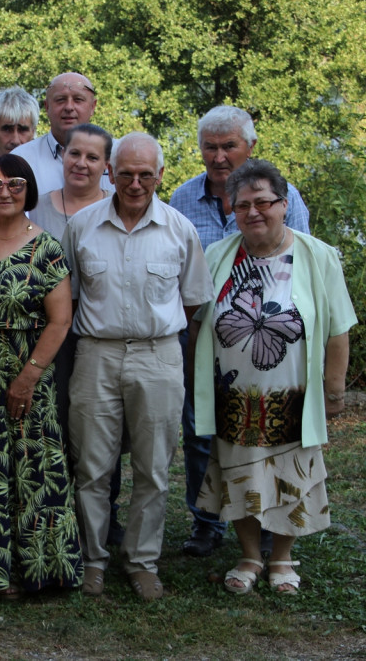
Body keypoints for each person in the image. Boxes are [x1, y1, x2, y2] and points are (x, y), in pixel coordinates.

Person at [191, 159, 355, 595]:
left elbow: (338, 329)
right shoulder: (218, 255)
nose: (253, 212)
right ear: (232, 211)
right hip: (235, 393)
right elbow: (197, 322)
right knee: (238, 473)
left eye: (263, 202)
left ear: (284, 205)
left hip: (295, 394)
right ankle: (248, 556)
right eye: (242, 205)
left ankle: (281, 558)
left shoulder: (317, 256)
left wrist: (334, 390)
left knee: (292, 474)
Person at [62, 132, 213, 601]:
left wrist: (160, 341)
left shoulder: (179, 228)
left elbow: (192, 304)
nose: (135, 183)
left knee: (153, 468)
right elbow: (65, 299)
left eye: (145, 174)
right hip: (96, 355)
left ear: (160, 176)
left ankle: (143, 563)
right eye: (125, 173)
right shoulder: (81, 226)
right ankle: (92, 561)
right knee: (91, 467)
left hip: (159, 354)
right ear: (110, 173)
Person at [170, 106, 312, 559]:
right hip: (205, 338)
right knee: (200, 432)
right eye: (209, 147)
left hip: (267, 343)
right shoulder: (182, 199)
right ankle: (207, 522)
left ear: (250, 145)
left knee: (270, 433)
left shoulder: (283, 198)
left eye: (228, 145)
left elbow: (302, 273)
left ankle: (269, 525)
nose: (218, 156)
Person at [0, 153, 81, 595]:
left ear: (29, 191)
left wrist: (27, 378)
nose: (4, 191)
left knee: (26, 469)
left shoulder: (45, 247)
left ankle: (28, 570)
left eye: (15, 183)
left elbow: (60, 320)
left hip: (26, 374)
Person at [29, 123, 125, 545]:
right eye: (74, 154)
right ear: (62, 156)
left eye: (92, 157)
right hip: (48, 337)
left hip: (97, 336)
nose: (81, 163)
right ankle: (57, 515)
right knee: (56, 423)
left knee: (103, 430)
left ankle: (105, 517)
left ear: (106, 166)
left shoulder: (118, 208)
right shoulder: (38, 210)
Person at [11, 72, 112, 195]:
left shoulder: (118, 155)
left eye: (78, 100)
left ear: (92, 107)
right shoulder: (21, 160)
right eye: (60, 100)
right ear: (47, 106)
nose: (69, 107)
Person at [0, 86, 40, 165]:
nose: (15, 141)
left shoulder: (46, 169)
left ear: (33, 131)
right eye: (7, 130)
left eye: (22, 130)